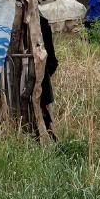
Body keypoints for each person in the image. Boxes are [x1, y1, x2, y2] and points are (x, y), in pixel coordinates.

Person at [39, 13, 58, 141]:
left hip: (40, 76)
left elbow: (52, 62)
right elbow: (53, 62)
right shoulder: (42, 23)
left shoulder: (41, 23)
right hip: (41, 78)